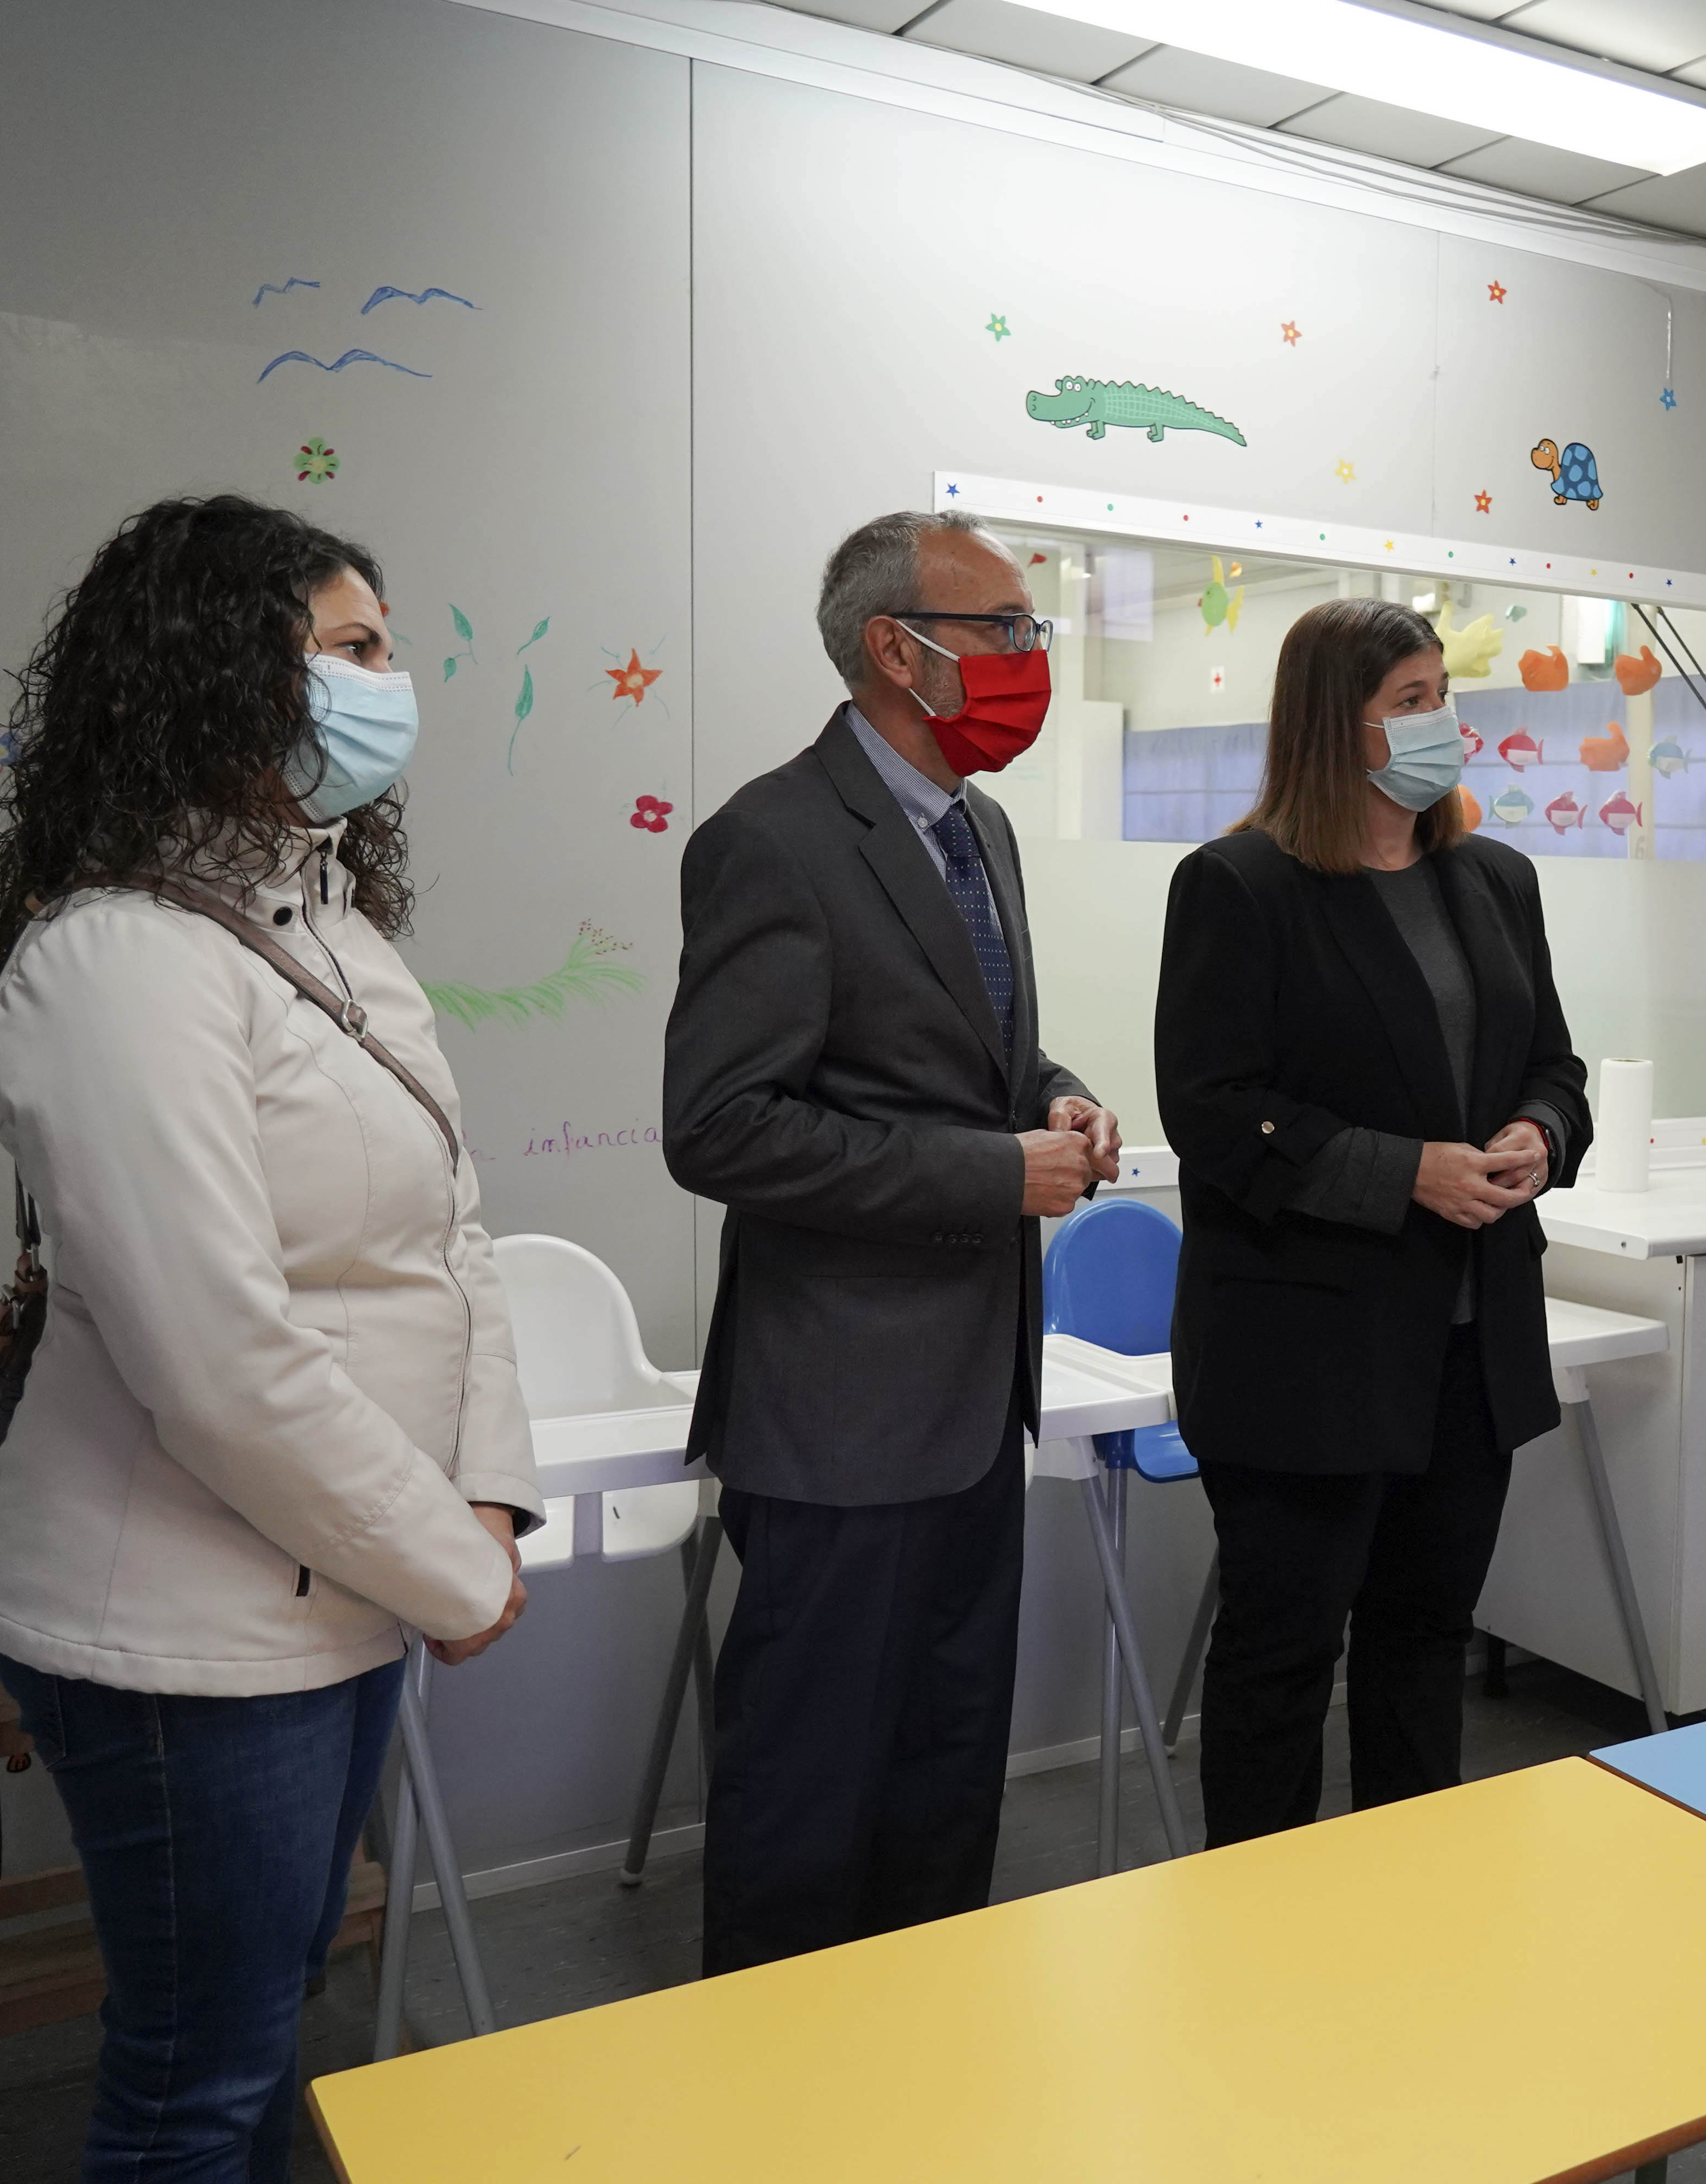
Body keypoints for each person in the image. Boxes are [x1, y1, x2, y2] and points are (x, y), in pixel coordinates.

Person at [0, 496, 539, 2182]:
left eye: (387, 650)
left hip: (345, 1589)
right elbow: (218, 1355)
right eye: (353, 650)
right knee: (199, 2082)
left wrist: (487, 1493)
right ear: (221, 673)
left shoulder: (340, 930)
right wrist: (448, 1563)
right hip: (183, 1631)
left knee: (271, 2018)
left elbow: (453, 1238)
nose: (389, 684)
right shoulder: (114, 961)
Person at [663, 508, 1117, 1974]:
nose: (1032, 654)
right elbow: (720, 1128)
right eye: (1006, 628)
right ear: (897, 650)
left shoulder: (981, 830)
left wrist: (1057, 1099)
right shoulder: (774, 838)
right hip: (840, 1415)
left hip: (978, 1400)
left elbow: (982, 1062)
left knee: (945, 1773)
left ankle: (927, 2049)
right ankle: (775, 2077)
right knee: (808, 1796)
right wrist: (994, 1173)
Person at [1155, 597, 1590, 1844]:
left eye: (1442, 693)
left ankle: (1407, 1909)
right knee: (1284, 1657)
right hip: (1306, 1353)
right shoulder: (1241, 886)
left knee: (1423, 1644)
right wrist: (1406, 1173)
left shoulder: (1494, 879)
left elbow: (1554, 1065)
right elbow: (1213, 1111)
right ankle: (1258, 1921)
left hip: (1469, 1346)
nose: (1444, 719)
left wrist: (1541, 1131)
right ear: (1332, 723)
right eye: (1412, 700)